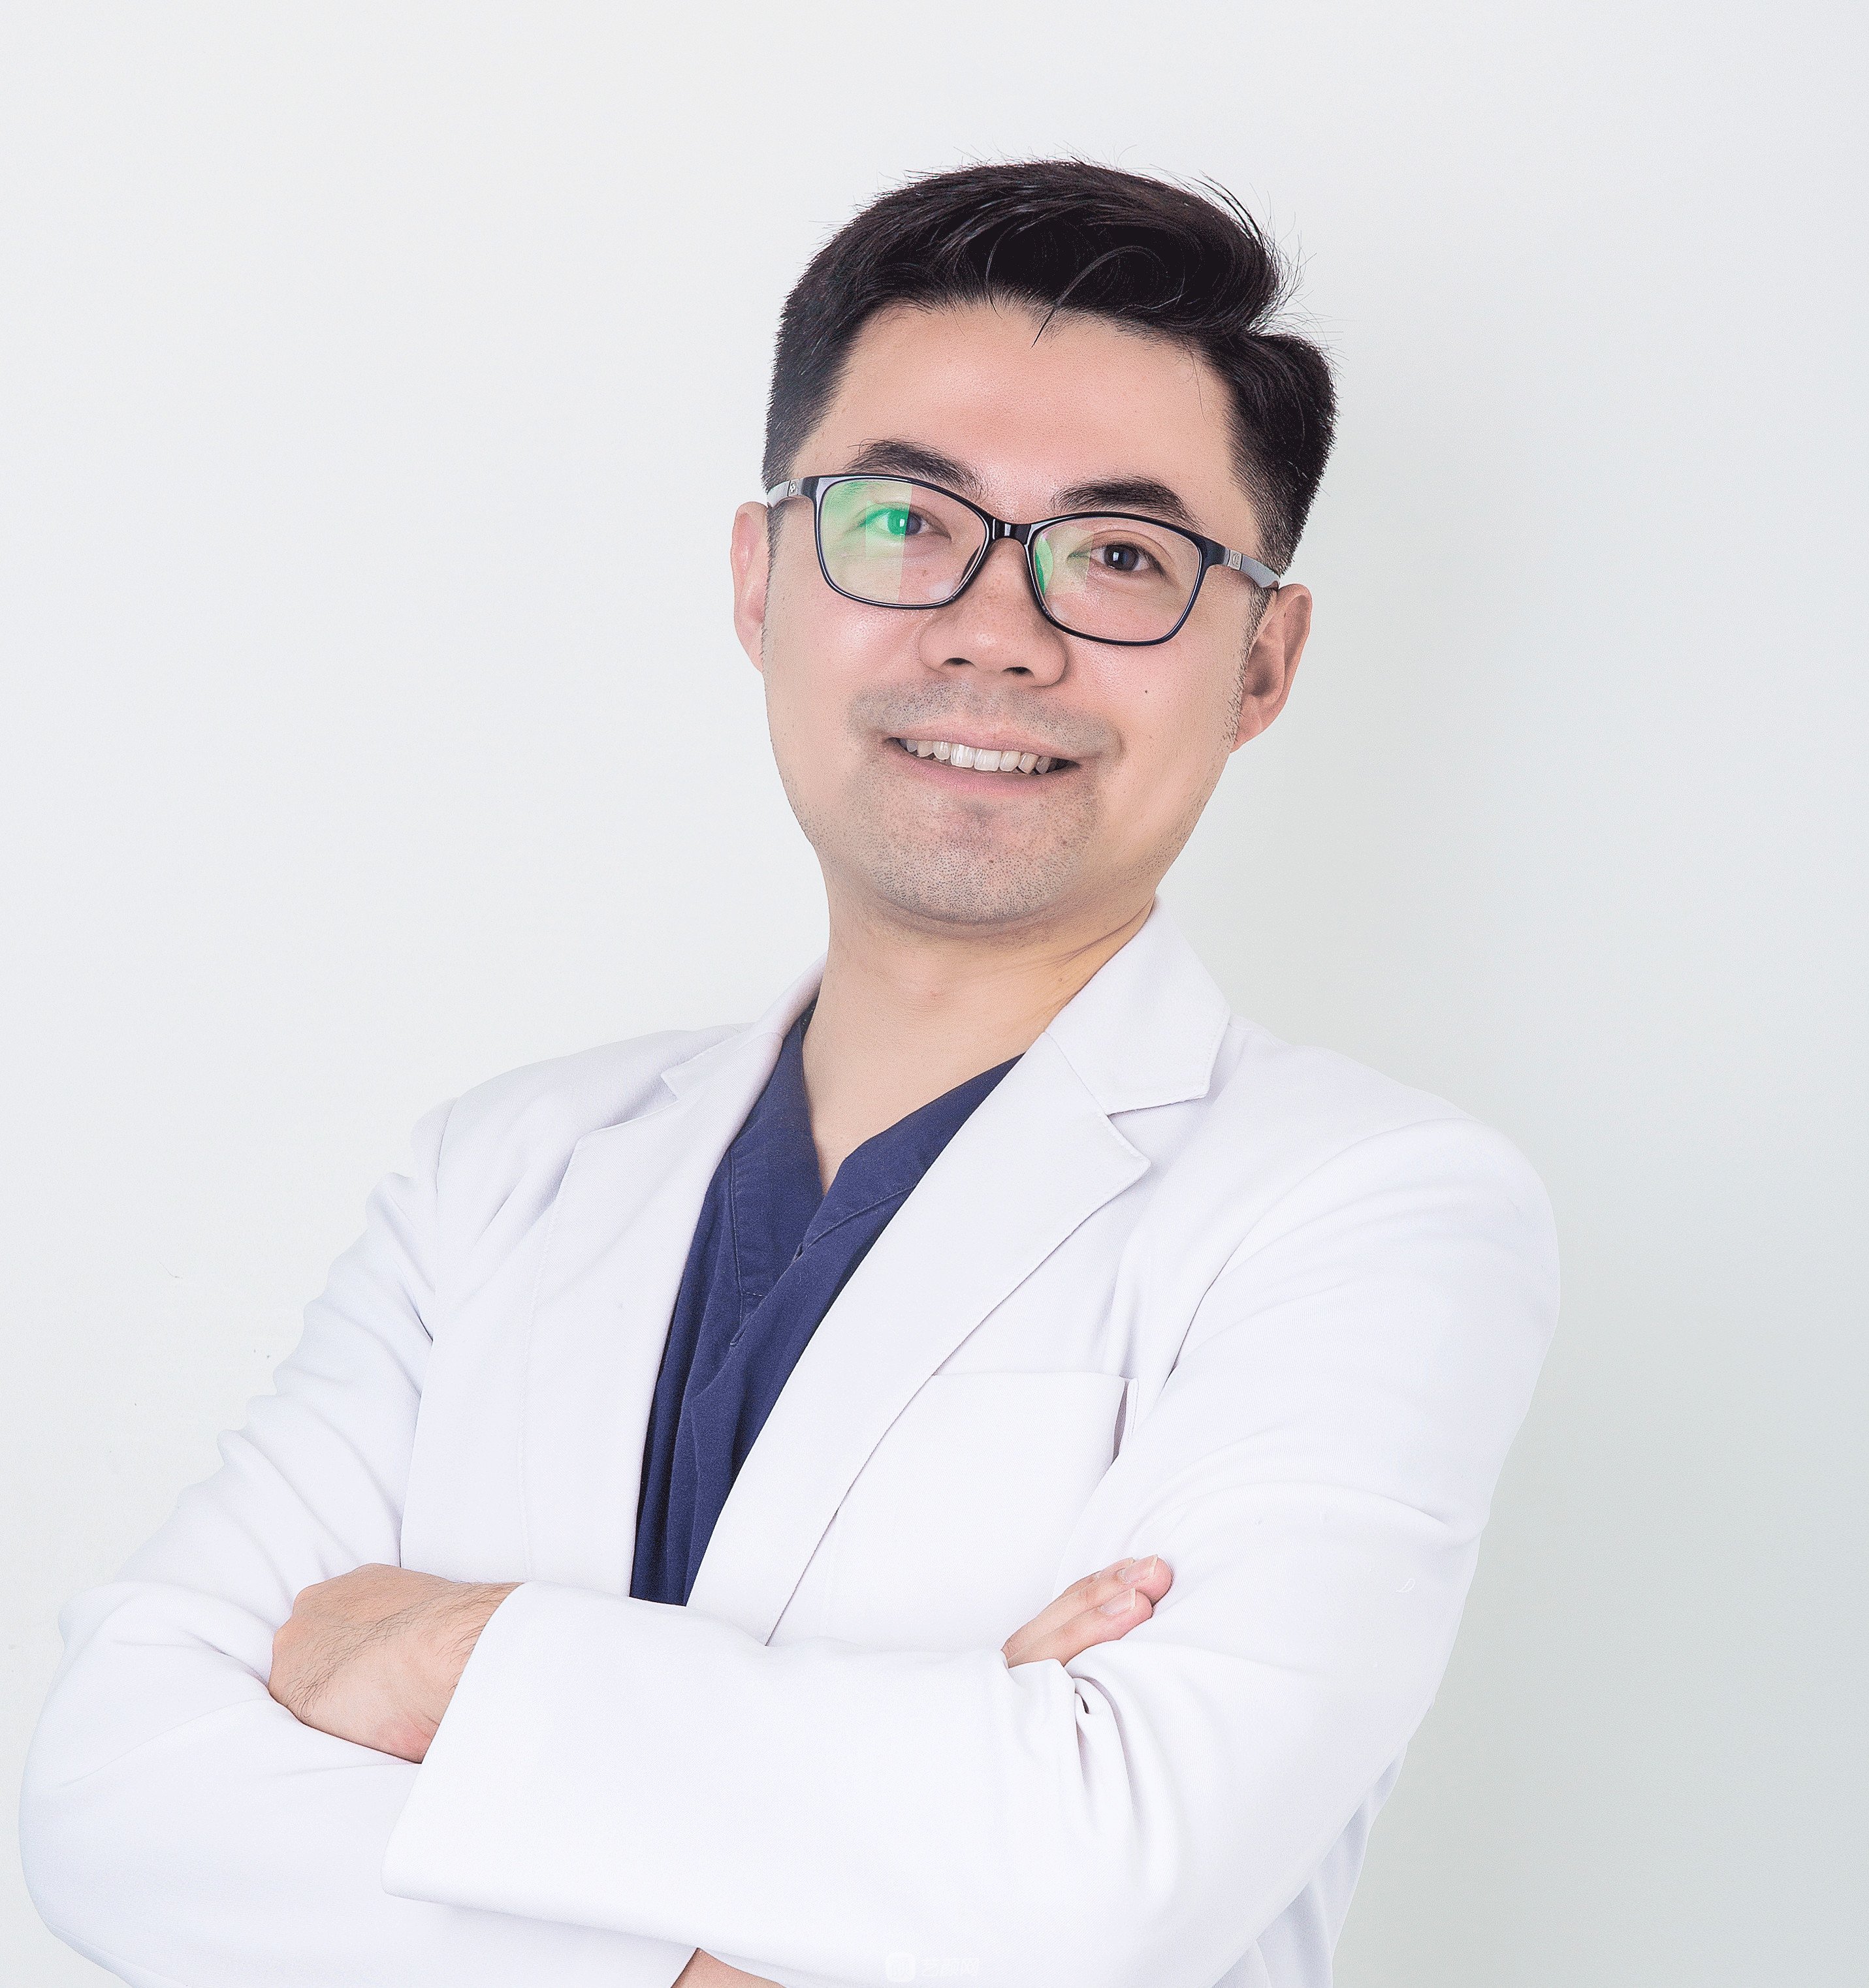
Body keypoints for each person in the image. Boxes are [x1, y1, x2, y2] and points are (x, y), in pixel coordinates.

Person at [20, 161, 1559, 1988]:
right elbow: (115, 1794)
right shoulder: (498, 1172)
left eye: (1121, 558)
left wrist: (447, 1655)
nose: (996, 630)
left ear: (1263, 667)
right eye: (904, 521)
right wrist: (802, 1893)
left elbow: (1114, 1866)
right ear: (761, 581)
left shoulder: (1372, 1211)